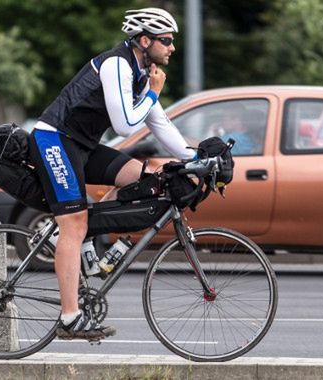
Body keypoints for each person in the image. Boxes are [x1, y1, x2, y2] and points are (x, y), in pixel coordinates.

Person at [27, 7, 195, 341]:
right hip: (53, 140)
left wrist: (194, 156)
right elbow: (124, 125)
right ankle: (70, 317)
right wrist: (152, 95)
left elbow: (158, 122)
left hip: (82, 144)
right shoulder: (117, 65)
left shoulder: (141, 71)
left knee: (143, 176)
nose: (172, 48)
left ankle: (85, 241)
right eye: (166, 41)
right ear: (144, 40)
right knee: (73, 223)